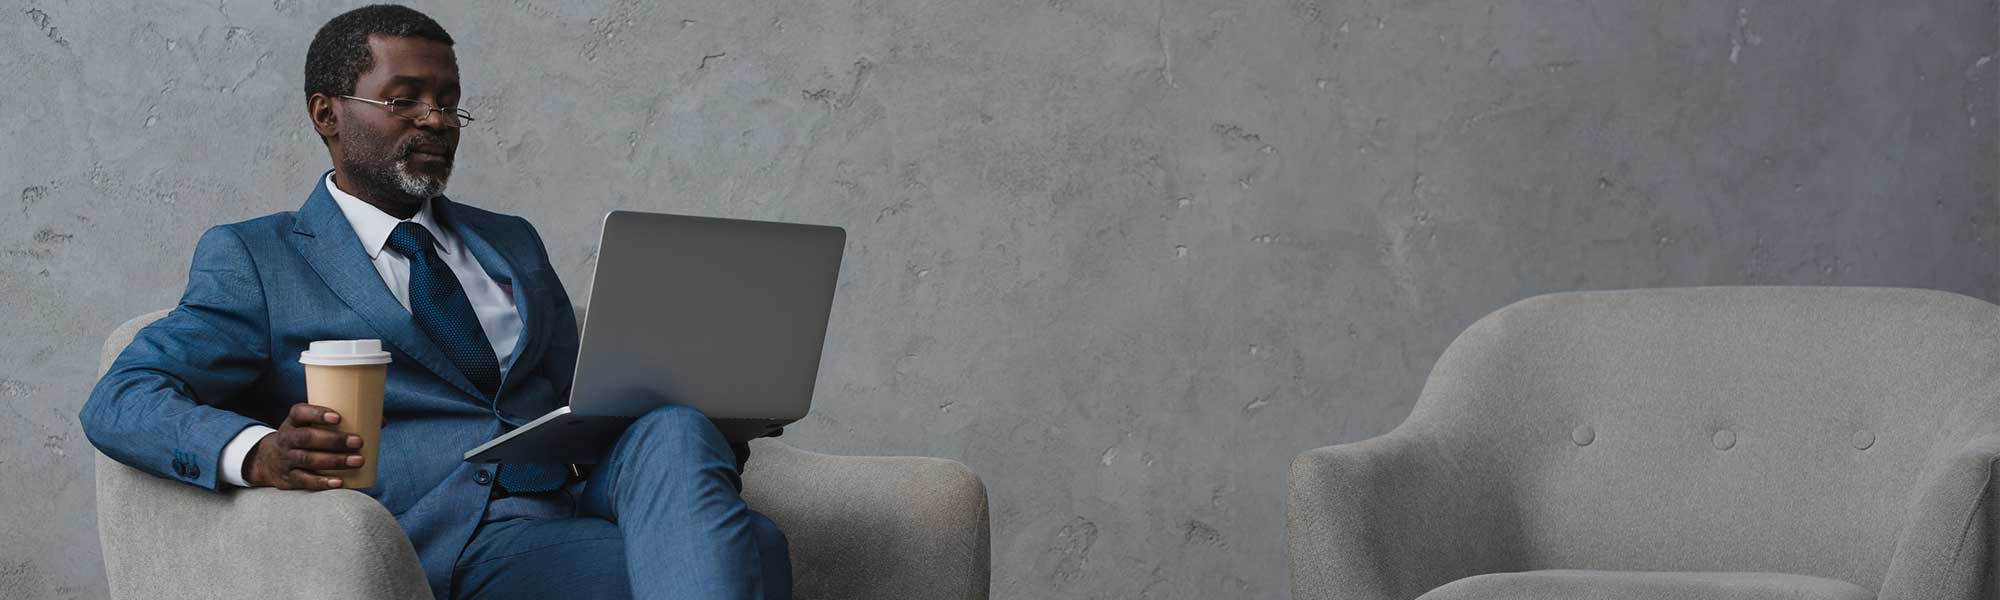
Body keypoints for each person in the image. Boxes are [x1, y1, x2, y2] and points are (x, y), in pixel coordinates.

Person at [78, 5, 790, 599]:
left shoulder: (510, 241)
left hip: (580, 495)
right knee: (753, 545)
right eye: (405, 100)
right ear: (327, 114)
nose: (436, 120)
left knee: (672, 426)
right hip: (458, 535)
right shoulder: (258, 259)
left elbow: (590, 399)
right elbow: (124, 398)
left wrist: (720, 405)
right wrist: (259, 451)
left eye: (449, 102)